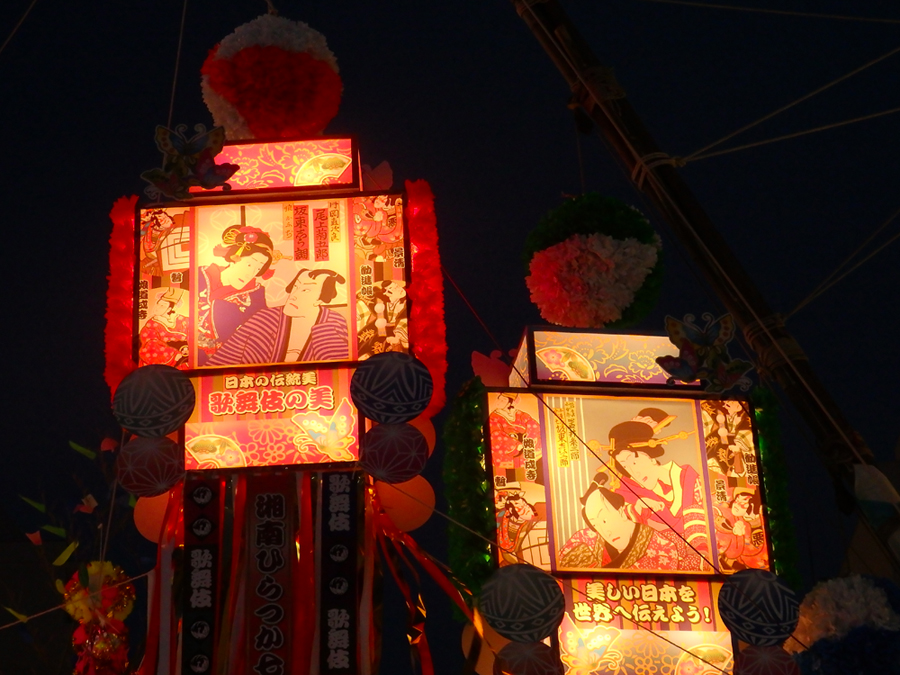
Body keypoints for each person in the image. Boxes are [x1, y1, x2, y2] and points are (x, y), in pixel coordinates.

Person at [606, 408, 710, 557]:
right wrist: (638, 508)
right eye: (625, 466)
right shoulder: (626, 493)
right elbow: (617, 526)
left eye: (634, 462)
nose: (634, 472)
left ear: (651, 458)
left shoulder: (688, 478)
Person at [558, 472, 704, 571]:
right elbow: (562, 565)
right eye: (595, 525)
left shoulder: (661, 548)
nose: (605, 531)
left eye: (604, 519)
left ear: (622, 511)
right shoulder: (586, 539)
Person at [206, 268, 349, 366]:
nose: (294, 295)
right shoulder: (265, 319)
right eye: (295, 287)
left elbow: (339, 369)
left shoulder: (332, 322)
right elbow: (224, 360)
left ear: (321, 298)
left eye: (306, 290)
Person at [197, 225, 278, 364]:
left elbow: (259, 334)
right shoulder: (201, 275)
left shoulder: (255, 295)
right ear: (235, 257)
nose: (250, 274)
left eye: (258, 268)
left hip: (228, 361)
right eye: (249, 264)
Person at [488, 393, 542, 476]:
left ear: (509, 403)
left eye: (503, 400)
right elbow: (495, 434)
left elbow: (532, 424)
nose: (499, 402)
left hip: (526, 443)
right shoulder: (493, 417)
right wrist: (516, 445)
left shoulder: (520, 414)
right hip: (509, 448)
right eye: (499, 399)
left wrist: (530, 438)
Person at [714, 487, 767, 570]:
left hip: (734, 561)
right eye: (736, 501)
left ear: (752, 506)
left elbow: (746, 552)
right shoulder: (726, 511)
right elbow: (716, 515)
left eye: (742, 503)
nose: (736, 505)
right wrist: (732, 530)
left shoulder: (747, 526)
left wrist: (741, 538)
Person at [139, 288, 189, 369]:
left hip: (186, 360)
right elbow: (150, 346)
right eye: (158, 304)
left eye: (162, 306)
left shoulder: (182, 320)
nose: (157, 307)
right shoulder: (151, 325)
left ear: (169, 309)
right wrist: (175, 354)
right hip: (167, 363)